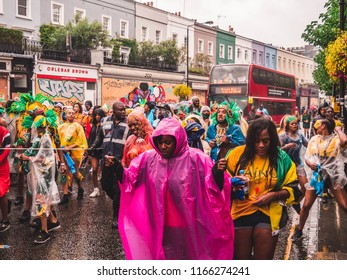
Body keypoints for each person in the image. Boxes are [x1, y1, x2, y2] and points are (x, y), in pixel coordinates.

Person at [114, 117, 234, 260]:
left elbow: (213, 187)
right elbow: (131, 178)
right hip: (160, 225)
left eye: (167, 142)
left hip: (188, 225)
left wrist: (217, 172)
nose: (163, 146)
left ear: (177, 140)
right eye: (160, 142)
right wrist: (116, 168)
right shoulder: (149, 159)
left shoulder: (196, 158)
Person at [218, 118, 301, 260]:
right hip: (239, 213)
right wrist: (223, 175)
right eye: (256, 141)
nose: (261, 145)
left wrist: (273, 195)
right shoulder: (236, 154)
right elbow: (220, 185)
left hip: (268, 214)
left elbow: (293, 189)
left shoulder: (281, 158)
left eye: (266, 141)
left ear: (272, 140)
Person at [292, 118, 347, 241]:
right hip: (317, 176)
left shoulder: (336, 139)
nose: (316, 126)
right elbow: (308, 157)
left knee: (344, 205)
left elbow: (345, 140)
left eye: (319, 124)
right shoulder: (314, 139)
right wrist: (309, 164)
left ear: (324, 126)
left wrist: (338, 129)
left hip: (333, 177)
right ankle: (299, 230)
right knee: (306, 206)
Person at [19, 115, 61, 243]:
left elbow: (47, 159)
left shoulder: (46, 139)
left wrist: (28, 158)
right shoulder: (39, 138)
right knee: (43, 199)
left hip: (44, 174)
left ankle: (45, 231)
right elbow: (33, 150)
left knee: (40, 200)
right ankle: (53, 221)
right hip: (38, 173)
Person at [90, 102, 130, 228]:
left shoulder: (129, 122)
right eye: (120, 110)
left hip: (120, 161)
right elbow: (99, 137)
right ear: (113, 111)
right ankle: (123, 202)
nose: (123, 112)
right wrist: (92, 147)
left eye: (124, 110)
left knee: (118, 188)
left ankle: (116, 217)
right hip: (106, 159)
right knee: (105, 185)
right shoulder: (104, 121)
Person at [58, 108, 88, 204]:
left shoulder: (78, 126)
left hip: (75, 153)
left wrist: (69, 147)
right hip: (63, 153)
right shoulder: (60, 127)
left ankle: (80, 188)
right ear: (65, 115)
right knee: (64, 173)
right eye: (69, 113)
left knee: (74, 173)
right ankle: (65, 194)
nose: (71, 115)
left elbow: (80, 141)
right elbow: (57, 140)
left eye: (73, 113)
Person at [279, 116, 308, 214]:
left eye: (296, 123)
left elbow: (308, 145)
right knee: (285, 188)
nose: (295, 125)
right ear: (288, 125)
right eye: (292, 124)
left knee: (306, 187)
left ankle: (296, 202)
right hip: (286, 166)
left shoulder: (300, 136)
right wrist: (287, 146)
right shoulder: (283, 136)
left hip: (298, 164)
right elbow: (277, 151)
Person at [88, 107, 106, 198]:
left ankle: (106, 188)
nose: (97, 117)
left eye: (99, 115)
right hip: (94, 150)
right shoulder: (94, 125)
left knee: (105, 170)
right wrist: (89, 148)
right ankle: (96, 189)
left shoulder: (105, 125)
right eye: (96, 115)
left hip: (103, 149)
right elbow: (91, 137)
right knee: (94, 169)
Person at [0, 121, 11, 232]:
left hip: (1, 167)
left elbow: (7, 149)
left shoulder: (4, 131)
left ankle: (5, 220)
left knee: (1, 192)